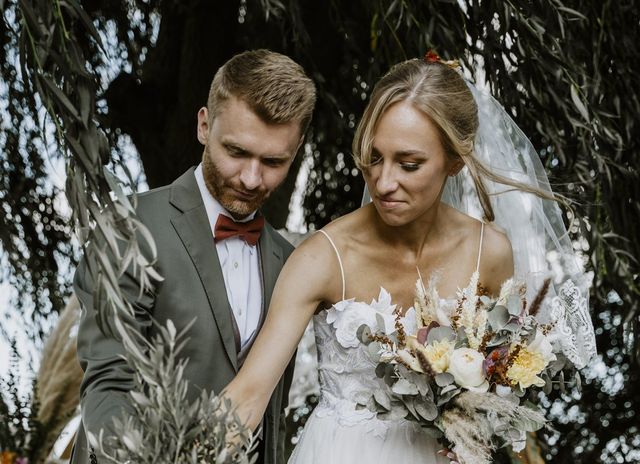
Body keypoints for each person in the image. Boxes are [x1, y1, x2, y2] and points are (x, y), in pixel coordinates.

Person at [224, 54, 596, 463]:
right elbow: (248, 396)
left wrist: (474, 435)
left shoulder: (488, 253)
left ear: (454, 161)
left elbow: (496, 388)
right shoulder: (322, 258)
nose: (384, 183)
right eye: (375, 157)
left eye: (409, 164)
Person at [71, 49, 316, 464]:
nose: (252, 178)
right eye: (236, 152)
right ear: (204, 125)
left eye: (273, 161)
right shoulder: (130, 226)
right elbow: (109, 381)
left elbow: (272, 416)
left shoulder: (290, 262)